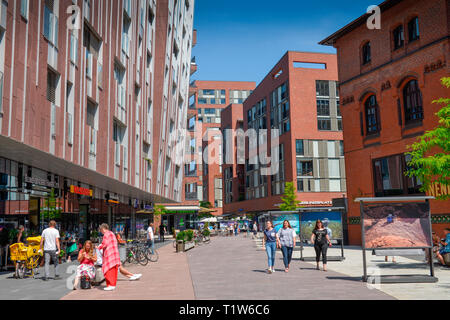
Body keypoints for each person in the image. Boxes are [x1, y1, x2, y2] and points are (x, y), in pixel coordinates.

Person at [97, 223, 120, 291]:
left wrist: (99, 247)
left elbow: (105, 244)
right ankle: (113, 284)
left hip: (109, 254)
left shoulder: (106, 234)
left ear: (103, 228)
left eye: (101, 230)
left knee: (108, 269)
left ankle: (110, 285)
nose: (100, 231)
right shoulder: (111, 233)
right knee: (114, 270)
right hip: (114, 254)